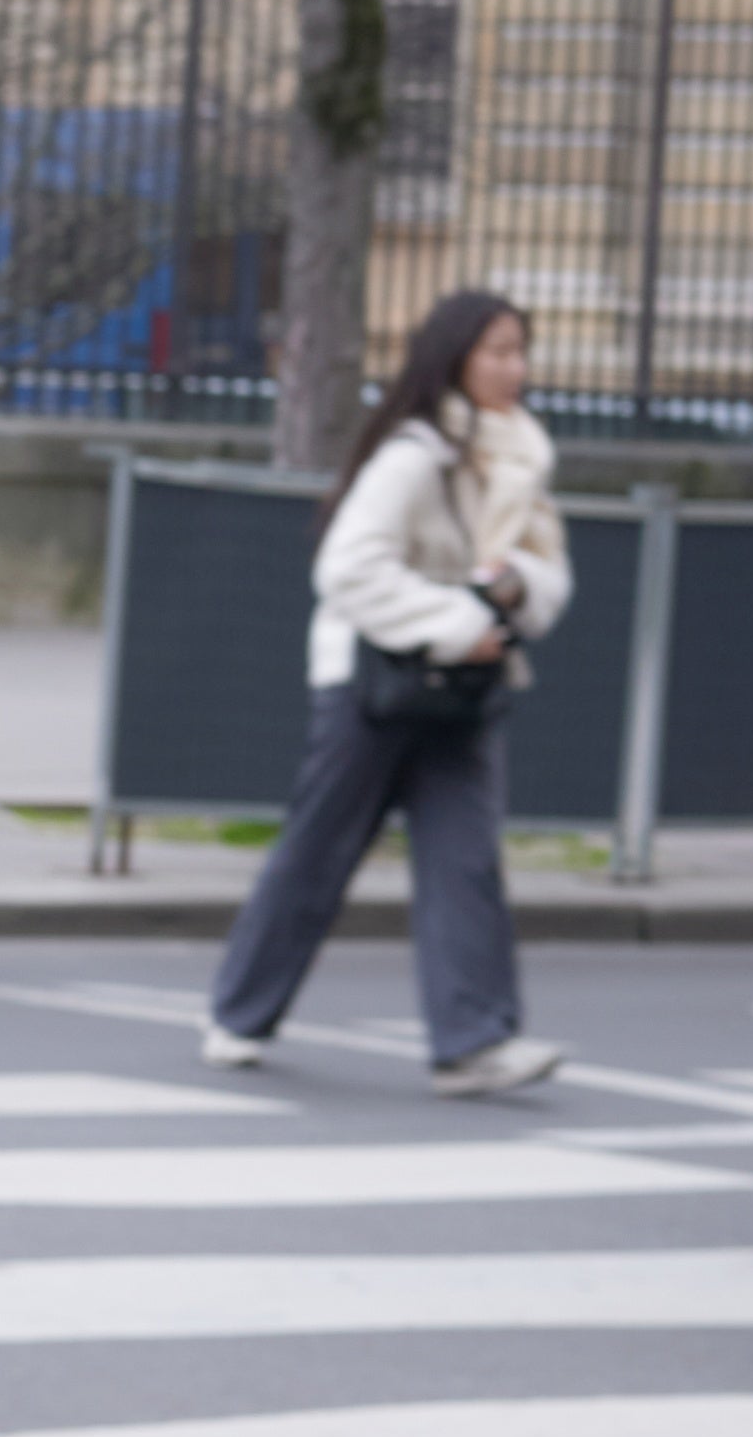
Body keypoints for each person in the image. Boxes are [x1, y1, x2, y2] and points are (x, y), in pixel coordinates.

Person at [200, 282, 570, 1091]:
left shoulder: (521, 458)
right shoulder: (414, 456)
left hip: (463, 688)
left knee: (466, 861)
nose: (515, 369)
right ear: (455, 359)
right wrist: (454, 618)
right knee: (318, 855)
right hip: (375, 683)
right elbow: (346, 568)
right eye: (497, 352)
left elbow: (551, 572)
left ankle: (473, 1043)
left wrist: (513, 590)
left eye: (521, 351)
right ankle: (237, 1010)